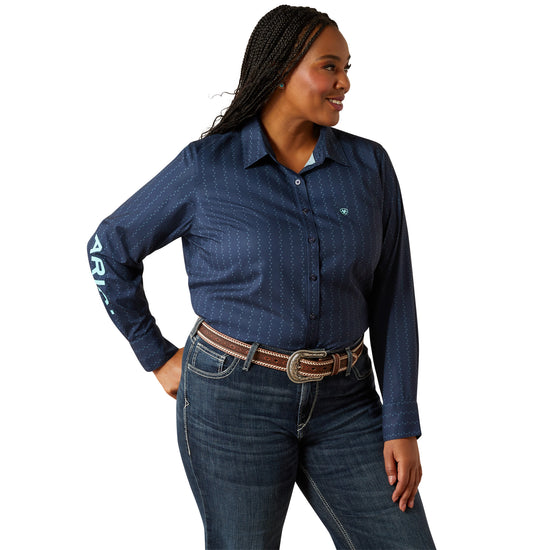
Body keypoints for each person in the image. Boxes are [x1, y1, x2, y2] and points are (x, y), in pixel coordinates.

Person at [87, 5, 436, 549]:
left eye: (346, 68)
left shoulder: (369, 167)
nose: (345, 83)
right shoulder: (208, 168)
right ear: (280, 70)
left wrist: (401, 420)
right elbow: (108, 249)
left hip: (347, 402)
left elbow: (395, 297)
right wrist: (154, 354)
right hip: (232, 400)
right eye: (329, 67)